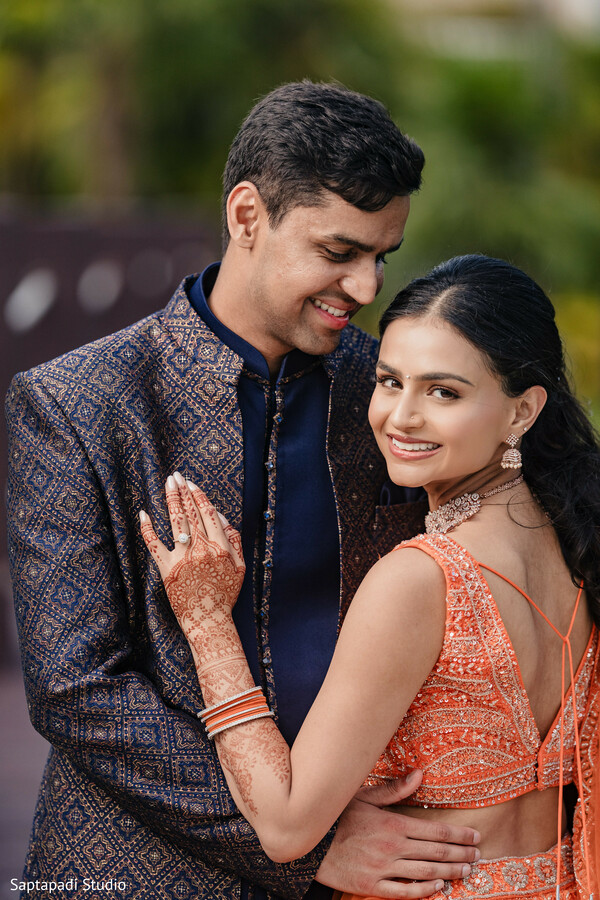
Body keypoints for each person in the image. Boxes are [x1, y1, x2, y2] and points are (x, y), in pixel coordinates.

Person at [5, 81, 481, 900]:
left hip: (369, 864)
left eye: (380, 258)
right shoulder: (74, 403)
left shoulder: (388, 396)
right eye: (339, 253)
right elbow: (75, 687)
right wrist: (299, 842)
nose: (366, 289)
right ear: (246, 216)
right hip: (132, 873)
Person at [140, 255, 600, 900]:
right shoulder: (574, 542)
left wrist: (208, 622)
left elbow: (286, 825)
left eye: (444, 392)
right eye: (390, 381)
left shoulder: (419, 580)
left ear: (522, 411)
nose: (401, 418)